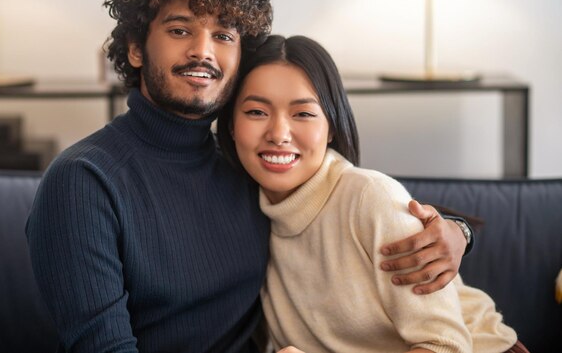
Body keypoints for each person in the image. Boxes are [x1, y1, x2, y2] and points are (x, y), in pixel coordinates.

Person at [26, 0, 472, 353]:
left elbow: (342, 217)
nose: (203, 52)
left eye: (223, 36)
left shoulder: (249, 167)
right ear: (136, 49)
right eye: (180, 30)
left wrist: (458, 233)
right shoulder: (84, 181)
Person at [217, 34, 528, 353]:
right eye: (256, 112)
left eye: (303, 114)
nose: (279, 134)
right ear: (230, 124)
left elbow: (444, 345)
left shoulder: (370, 198)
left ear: (331, 128)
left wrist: (459, 230)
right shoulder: (243, 207)